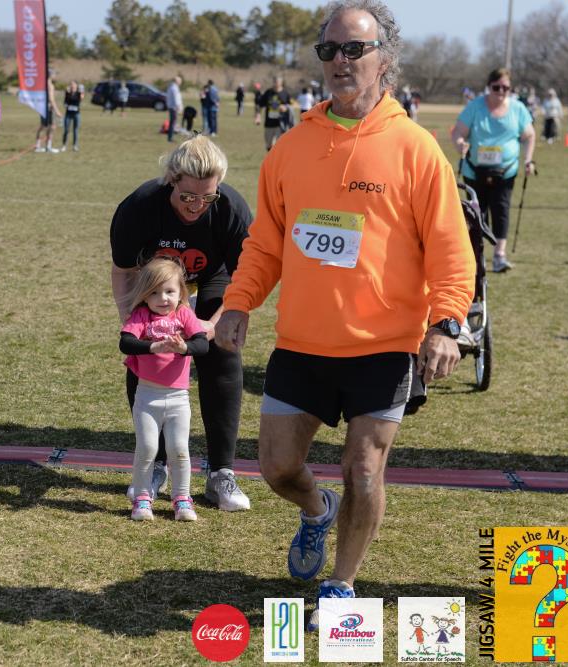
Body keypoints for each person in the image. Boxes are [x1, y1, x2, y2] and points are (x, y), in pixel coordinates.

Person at [215, 0, 475, 632]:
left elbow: (450, 247)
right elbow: (266, 244)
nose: (339, 60)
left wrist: (446, 322)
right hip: (303, 341)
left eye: (354, 49)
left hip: (384, 344)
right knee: (277, 468)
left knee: (364, 467)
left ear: (385, 59)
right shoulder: (291, 148)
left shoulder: (415, 149)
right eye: (329, 49)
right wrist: (239, 301)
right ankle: (316, 509)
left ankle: (341, 583)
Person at [111, 135, 252, 513]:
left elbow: (247, 280)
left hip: (214, 275)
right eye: (188, 195)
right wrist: (133, 323)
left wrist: (216, 325)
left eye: (207, 197)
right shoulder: (140, 206)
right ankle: (154, 466)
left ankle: (221, 473)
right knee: (148, 351)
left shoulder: (231, 209)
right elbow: (123, 271)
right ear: (171, 179)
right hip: (156, 277)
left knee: (222, 349)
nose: (197, 205)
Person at [120, 256, 209, 522]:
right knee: (147, 448)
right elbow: (125, 342)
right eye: (154, 293)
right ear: (145, 296)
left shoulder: (184, 314)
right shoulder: (141, 315)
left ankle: (182, 499)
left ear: (181, 292)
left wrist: (184, 348)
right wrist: (152, 346)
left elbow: (202, 344)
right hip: (147, 397)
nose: (163, 298)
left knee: (179, 449)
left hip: (179, 398)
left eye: (170, 291)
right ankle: (142, 498)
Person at [452, 67, 535, 273]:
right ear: (489, 87)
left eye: (506, 88)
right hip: (474, 170)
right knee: (476, 213)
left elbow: (529, 135)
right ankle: (477, 257)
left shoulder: (518, 109)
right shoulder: (475, 107)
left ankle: (499, 255)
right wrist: (460, 143)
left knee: (501, 209)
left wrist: (528, 160)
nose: (501, 92)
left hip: (506, 170)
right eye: (496, 87)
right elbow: (458, 132)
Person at [255, 76, 291, 149]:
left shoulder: (285, 93)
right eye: (274, 82)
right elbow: (260, 105)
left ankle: (277, 156)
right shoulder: (268, 92)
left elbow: (290, 106)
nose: (275, 84)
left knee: (279, 146)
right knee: (269, 146)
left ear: (281, 83)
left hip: (281, 124)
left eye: (277, 82)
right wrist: (258, 116)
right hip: (269, 123)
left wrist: (285, 108)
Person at [34, 74, 62, 153]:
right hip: (49, 109)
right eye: (54, 74)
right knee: (51, 127)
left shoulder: (42, 84)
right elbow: (51, 99)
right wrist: (57, 111)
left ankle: (40, 146)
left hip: (43, 108)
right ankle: (47, 147)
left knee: (44, 126)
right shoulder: (50, 86)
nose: (55, 75)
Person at [61, 80, 82, 151]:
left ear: (76, 85)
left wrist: (81, 93)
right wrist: (67, 94)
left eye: (73, 84)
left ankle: (75, 146)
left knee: (75, 130)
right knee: (66, 130)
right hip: (68, 113)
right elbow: (65, 102)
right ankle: (64, 145)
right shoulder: (68, 93)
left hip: (76, 113)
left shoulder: (79, 93)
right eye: (71, 84)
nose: (72, 86)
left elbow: (80, 100)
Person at [165, 76, 183, 142]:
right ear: (177, 81)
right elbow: (176, 98)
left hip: (172, 107)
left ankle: (170, 137)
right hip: (174, 107)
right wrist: (178, 107)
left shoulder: (171, 87)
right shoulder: (174, 88)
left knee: (172, 122)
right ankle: (170, 138)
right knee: (173, 123)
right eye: (180, 81)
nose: (180, 82)